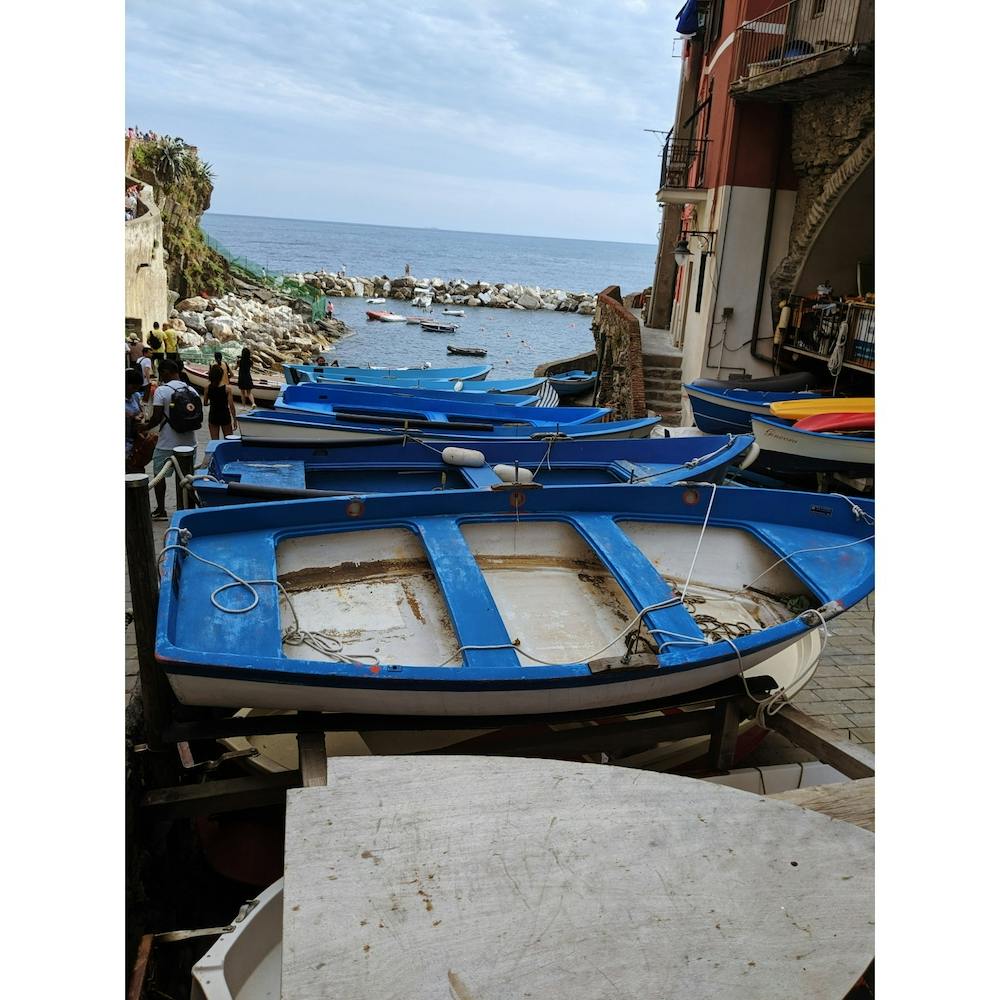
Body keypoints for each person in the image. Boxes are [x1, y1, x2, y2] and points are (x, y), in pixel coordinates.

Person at [148, 359, 201, 520]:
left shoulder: (162, 391)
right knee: (186, 478)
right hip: (190, 443)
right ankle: (185, 509)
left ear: (166, 372)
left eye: (160, 372)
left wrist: (143, 427)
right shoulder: (192, 390)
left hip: (166, 443)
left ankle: (161, 510)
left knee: (159, 476)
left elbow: (156, 418)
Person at [204, 363, 238, 440]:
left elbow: (205, 403)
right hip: (225, 415)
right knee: (228, 440)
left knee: (214, 441)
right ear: (221, 376)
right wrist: (235, 420)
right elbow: (231, 406)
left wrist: (212, 403)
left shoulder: (207, 388)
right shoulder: (227, 389)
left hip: (213, 415)